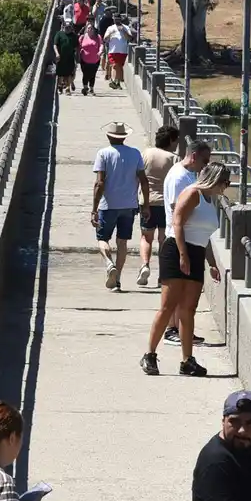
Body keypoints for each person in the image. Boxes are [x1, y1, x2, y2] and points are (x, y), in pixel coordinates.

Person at [142, 163, 227, 377]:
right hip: (176, 250)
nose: (226, 186)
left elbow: (203, 236)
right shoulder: (192, 194)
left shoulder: (210, 200)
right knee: (168, 306)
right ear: (214, 179)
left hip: (196, 252)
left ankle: (187, 360)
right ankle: (150, 355)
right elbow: (177, 223)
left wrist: (212, 263)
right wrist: (182, 255)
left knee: (189, 309)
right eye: (225, 182)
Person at [159, 141, 211, 347]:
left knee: (183, 292)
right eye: (205, 160)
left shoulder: (189, 174)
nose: (206, 165)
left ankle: (183, 330)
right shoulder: (179, 177)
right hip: (178, 239)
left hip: (189, 238)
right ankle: (172, 330)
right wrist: (182, 252)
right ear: (194, 155)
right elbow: (176, 211)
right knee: (175, 291)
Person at [92, 121, 148, 291]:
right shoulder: (135, 153)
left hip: (107, 206)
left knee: (102, 239)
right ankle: (118, 280)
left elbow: (99, 183)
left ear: (109, 136)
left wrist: (94, 208)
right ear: (125, 137)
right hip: (129, 206)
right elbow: (144, 181)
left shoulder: (103, 154)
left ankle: (109, 264)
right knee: (122, 242)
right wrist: (145, 204)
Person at [136, 126, 179, 288]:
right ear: (171, 140)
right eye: (176, 141)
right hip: (165, 204)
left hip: (147, 202)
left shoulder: (146, 153)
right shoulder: (174, 159)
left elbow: (138, 176)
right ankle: (162, 275)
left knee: (146, 237)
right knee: (164, 240)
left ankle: (145, 265)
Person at [103, 15, 131, 89]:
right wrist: (110, 34)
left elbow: (129, 38)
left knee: (119, 67)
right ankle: (113, 81)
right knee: (114, 65)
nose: (117, 21)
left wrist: (123, 30)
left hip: (123, 51)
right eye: (115, 19)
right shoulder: (110, 28)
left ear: (120, 19)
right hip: (113, 50)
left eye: (118, 19)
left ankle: (117, 83)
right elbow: (105, 39)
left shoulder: (126, 27)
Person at [52, 23, 77, 96]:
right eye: (66, 27)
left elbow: (76, 47)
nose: (67, 28)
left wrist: (76, 56)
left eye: (69, 27)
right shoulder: (59, 34)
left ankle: (67, 89)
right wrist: (57, 53)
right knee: (60, 73)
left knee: (69, 73)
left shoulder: (74, 36)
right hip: (60, 57)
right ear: (63, 27)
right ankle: (60, 86)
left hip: (70, 57)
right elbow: (55, 45)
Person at [77, 23, 102, 96]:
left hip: (95, 59)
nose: (90, 29)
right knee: (85, 74)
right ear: (86, 30)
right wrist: (79, 52)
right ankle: (85, 87)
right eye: (88, 28)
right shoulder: (82, 37)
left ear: (94, 30)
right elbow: (78, 46)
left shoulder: (98, 37)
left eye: (91, 28)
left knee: (93, 74)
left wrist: (100, 51)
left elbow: (101, 45)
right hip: (84, 59)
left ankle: (91, 88)